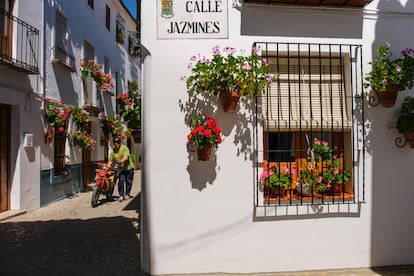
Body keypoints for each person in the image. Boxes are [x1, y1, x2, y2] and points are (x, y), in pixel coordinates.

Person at [108, 137, 135, 201]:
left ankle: (127, 194)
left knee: (128, 181)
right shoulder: (113, 150)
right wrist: (107, 167)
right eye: (115, 142)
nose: (116, 143)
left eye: (118, 142)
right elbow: (110, 161)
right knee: (121, 181)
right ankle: (121, 195)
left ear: (120, 142)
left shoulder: (124, 148)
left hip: (129, 167)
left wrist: (119, 163)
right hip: (121, 168)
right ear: (113, 143)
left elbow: (126, 158)